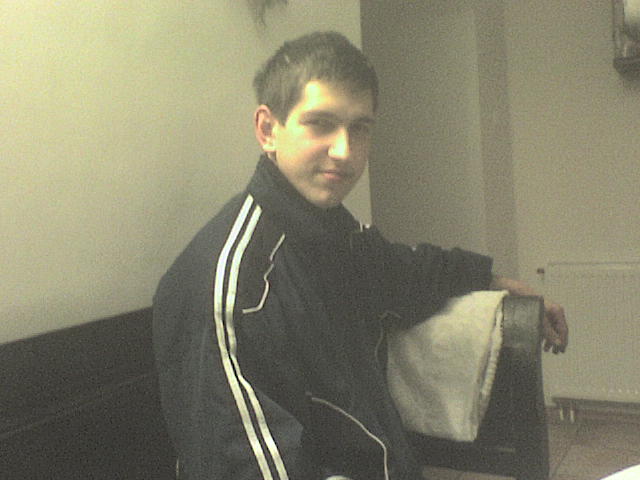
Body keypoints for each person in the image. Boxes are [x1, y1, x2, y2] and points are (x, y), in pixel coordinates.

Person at [152, 31, 568, 480]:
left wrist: (498, 282)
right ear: (268, 130)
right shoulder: (233, 290)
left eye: (360, 128)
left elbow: (408, 271)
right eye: (320, 124)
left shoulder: (336, 235)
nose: (345, 151)